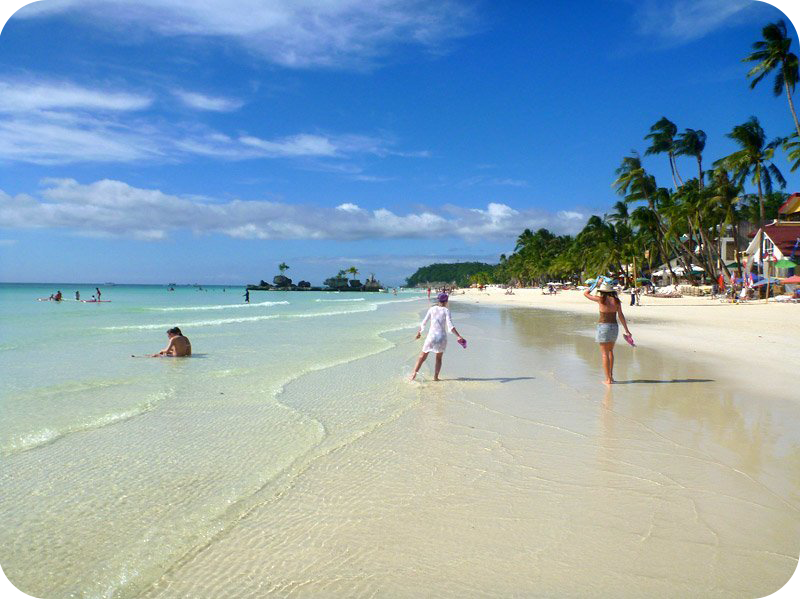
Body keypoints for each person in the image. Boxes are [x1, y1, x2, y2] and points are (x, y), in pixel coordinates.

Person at [583, 280, 632, 385]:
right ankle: (611, 377)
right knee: (610, 352)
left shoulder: (601, 299)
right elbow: (620, 316)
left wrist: (596, 283)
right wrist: (627, 330)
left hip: (603, 327)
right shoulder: (616, 301)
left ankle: (608, 380)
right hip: (614, 327)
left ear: (602, 291)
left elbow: (586, 293)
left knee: (604, 354)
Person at [410, 293, 465, 381]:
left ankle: (413, 374)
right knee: (438, 358)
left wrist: (419, 332)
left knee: (422, 357)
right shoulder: (446, 311)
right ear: (446, 301)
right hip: (442, 338)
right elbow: (450, 326)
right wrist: (458, 336)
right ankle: (436, 377)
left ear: (438, 300)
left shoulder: (432, 309)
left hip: (431, 337)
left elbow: (424, 322)